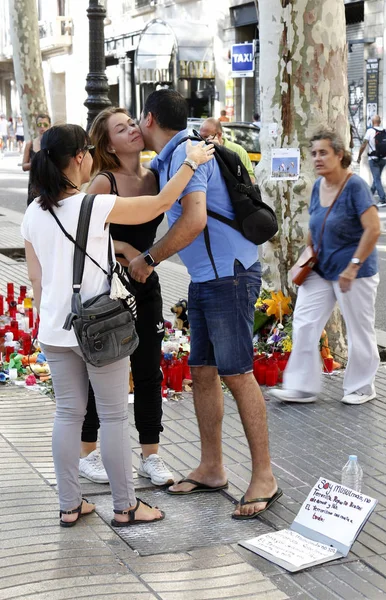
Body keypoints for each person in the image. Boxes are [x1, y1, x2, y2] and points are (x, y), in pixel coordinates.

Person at [21, 123, 214, 526]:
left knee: (68, 415)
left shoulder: (33, 214)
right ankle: (126, 506)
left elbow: (37, 281)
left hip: (55, 328)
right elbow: (161, 203)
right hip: (99, 325)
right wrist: (191, 163)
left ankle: (69, 505)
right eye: (88, 150)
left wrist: (50, 325)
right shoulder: (95, 206)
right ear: (78, 158)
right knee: (111, 416)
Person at [129, 89, 280, 520]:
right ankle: (212, 467)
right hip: (208, 278)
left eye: (138, 121)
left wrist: (149, 259)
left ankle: (264, 476)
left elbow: (194, 220)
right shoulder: (177, 154)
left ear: (151, 118)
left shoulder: (187, 155)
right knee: (203, 371)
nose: (138, 129)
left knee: (238, 374)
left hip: (228, 276)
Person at [78, 107, 174, 487]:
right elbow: (82, 232)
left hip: (145, 283)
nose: (133, 129)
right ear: (108, 144)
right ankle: (88, 452)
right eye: (122, 128)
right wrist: (123, 248)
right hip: (108, 287)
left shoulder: (155, 177)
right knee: (101, 370)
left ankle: (151, 456)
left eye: (132, 122)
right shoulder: (104, 182)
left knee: (149, 370)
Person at [270, 129, 381, 406]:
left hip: (353, 273)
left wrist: (353, 266)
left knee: (359, 330)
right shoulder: (319, 185)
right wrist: (305, 256)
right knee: (305, 324)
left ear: (339, 155)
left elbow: (373, 229)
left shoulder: (355, 187)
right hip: (321, 268)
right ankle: (301, 387)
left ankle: (362, 386)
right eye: (314, 153)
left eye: (323, 153)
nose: (317, 158)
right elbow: (315, 224)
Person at [199, 117, 256, 183]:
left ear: (219, 135)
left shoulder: (238, 151)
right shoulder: (201, 150)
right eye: (200, 137)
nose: (202, 141)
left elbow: (251, 180)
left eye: (206, 137)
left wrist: (219, 150)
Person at [357, 115, 386, 207]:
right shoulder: (385, 132)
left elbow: (363, 145)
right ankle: (368, 197)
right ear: (380, 122)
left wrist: (359, 156)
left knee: (377, 179)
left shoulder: (370, 131)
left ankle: (382, 200)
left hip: (373, 159)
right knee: (376, 178)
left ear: (372, 122)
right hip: (383, 159)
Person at [22, 113, 51, 205]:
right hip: (34, 186)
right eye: (39, 124)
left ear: (49, 126)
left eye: (45, 124)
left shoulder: (53, 144)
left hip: (49, 184)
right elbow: (24, 166)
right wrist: (37, 163)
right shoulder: (30, 144)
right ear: (36, 126)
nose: (42, 127)